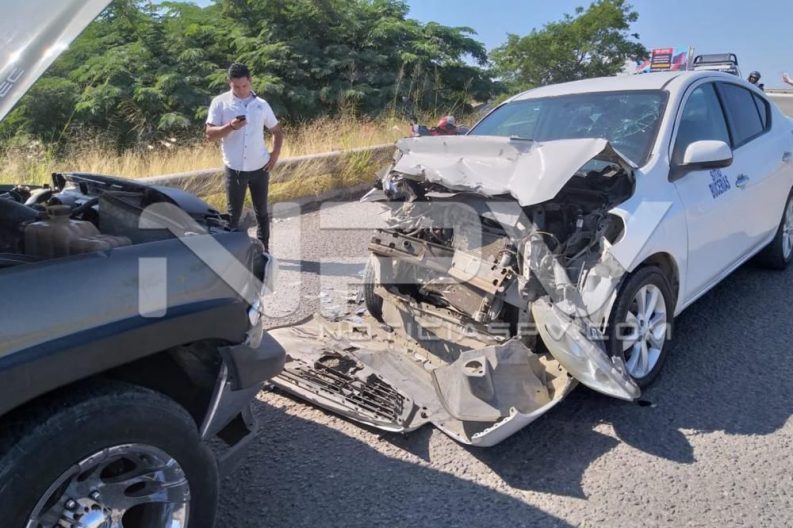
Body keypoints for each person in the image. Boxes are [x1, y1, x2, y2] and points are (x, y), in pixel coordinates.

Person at [205, 63, 283, 253]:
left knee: (262, 212)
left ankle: (264, 250)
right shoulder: (220, 102)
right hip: (235, 169)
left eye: (244, 86)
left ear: (250, 81)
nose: (241, 90)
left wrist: (274, 155)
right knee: (233, 215)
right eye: (236, 87)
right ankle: (232, 253)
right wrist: (230, 126)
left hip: (260, 167)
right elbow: (209, 134)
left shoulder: (261, 105)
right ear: (229, 83)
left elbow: (277, 131)